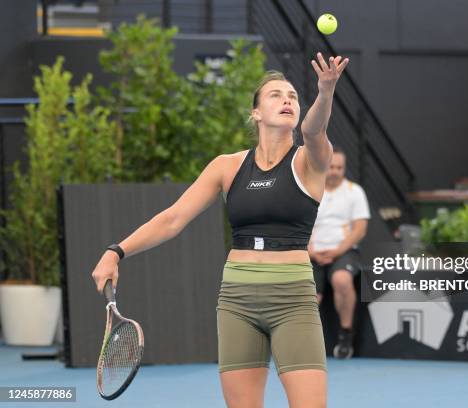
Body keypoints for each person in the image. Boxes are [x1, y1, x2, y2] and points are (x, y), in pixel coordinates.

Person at [91, 52, 349, 408]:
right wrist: (115, 251)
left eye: (292, 96)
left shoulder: (310, 160)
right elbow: (172, 219)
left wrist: (326, 91)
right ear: (256, 113)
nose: (287, 100)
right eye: (275, 95)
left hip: (293, 299)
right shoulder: (226, 167)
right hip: (237, 300)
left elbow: (314, 128)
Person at [308, 146, 370, 359]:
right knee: (307, 296)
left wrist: (336, 251)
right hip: (311, 253)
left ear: (344, 169)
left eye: (339, 167)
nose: (335, 171)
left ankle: (345, 336)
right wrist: (310, 251)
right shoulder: (309, 189)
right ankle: (307, 344)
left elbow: (360, 229)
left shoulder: (355, 192)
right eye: (331, 166)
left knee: (342, 280)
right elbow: (299, 224)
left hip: (344, 252)